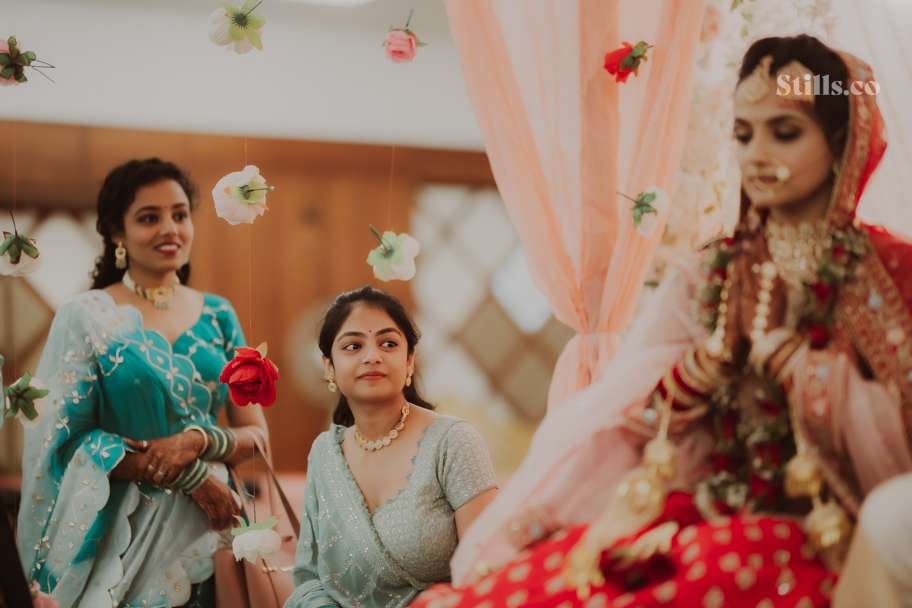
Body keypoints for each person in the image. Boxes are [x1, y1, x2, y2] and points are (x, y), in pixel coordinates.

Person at [414, 34, 912, 607]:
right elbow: (638, 417)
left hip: (824, 529)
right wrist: (696, 374)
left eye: (785, 132)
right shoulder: (712, 272)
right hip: (705, 504)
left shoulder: (889, 271)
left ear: (842, 142)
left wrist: (811, 374)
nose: (756, 155)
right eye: (743, 134)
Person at [17, 158, 269, 607]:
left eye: (180, 215)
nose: (170, 229)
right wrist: (189, 475)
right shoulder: (86, 316)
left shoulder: (219, 314)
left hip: (213, 530)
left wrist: (197, 441)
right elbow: (65, 440)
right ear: (118, 232)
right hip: (122, 534)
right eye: (149, 218)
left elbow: (257, 439)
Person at [285, 286, 498, 608]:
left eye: (388, 344)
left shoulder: (452, 442)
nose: (372, 356)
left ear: (409, 361)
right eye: (353, 346)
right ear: (328, 367)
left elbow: (485, 569)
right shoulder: (325, 454)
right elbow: (310, 577)